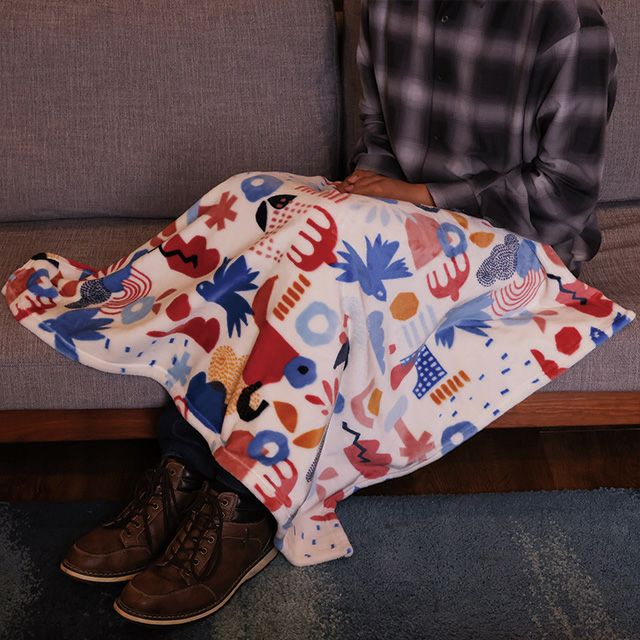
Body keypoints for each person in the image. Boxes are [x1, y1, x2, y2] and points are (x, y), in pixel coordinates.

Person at [3, 0, 627, 627]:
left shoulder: (567, 24)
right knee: (255, 197)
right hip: (402, 223)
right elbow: (379, 143)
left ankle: (246, 503)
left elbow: (564, 199)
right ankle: (185, 465)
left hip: (517, 250)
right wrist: (361, 198)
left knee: (328, 243)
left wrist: (414, 197)